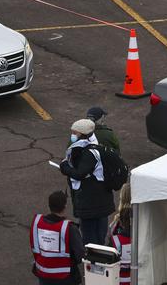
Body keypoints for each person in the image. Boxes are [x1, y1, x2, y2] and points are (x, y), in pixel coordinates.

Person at [59, 118, 115, 246]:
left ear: (82, 134)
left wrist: (64, 166)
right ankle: (100, 259)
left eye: (75, 133)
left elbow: (80, 174)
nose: (72, 135)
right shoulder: (96, 147)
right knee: (100, 235)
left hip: (90, 204)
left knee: (90, 239)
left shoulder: (89, 152)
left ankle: (93, 262)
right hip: (102, 202)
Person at [31, 190, 83, 284]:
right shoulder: (69, 228)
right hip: (65, 277)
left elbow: (34, 246)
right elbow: (80, 255)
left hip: (43, 274)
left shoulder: (37, 222)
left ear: (49, 205)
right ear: (65, 206)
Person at [108, 208, 132, 285]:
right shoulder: (142, 238)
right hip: (139, 279)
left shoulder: (114, 240)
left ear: (120, 222)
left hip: (118, 280)